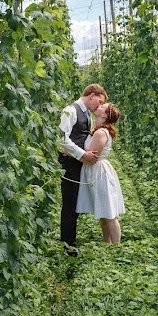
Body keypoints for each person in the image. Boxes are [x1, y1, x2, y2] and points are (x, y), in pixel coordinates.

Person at [58, 84, 107, 254]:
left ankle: (70, 240)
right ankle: (68, 245)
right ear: (91, 95)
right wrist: (82, 154)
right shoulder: (71, 111)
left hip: (77, 163)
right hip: (70, 163)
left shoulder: (86, 114)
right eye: (99, 102)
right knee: (70, 204)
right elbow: (61, 139)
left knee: (75, 203)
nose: (99, 107)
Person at [76, 102, 124, 243]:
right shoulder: (98, 130)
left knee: (109, 213)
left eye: (103, 107)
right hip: (96, 171)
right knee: (104, 212)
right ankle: (107, 244)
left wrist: (70, 152)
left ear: (104, 114)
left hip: (98, 173)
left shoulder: (100, 133)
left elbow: (90, 158)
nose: (99, 106)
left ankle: (116, 246)